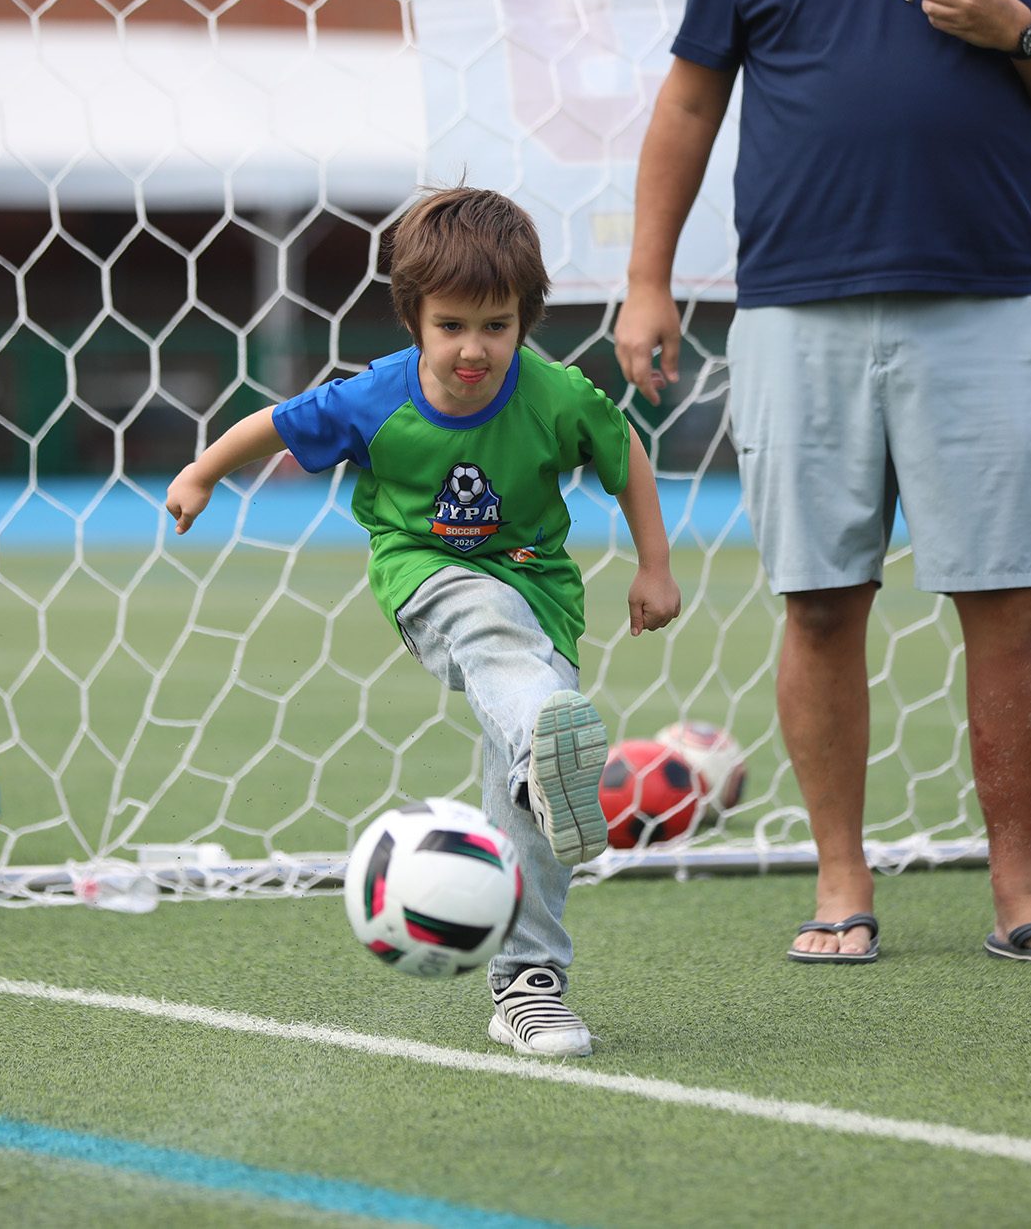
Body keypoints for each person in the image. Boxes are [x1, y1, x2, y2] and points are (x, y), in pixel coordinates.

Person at [614, 0, 1031, 968]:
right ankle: (840, 881)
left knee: (1009, 601)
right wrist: (646, 280)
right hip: (796, 309)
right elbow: (692, 98)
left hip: (987, 303)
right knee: (816, 601)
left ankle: (1023, 892)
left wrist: (1018, 30)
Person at [167, 187, 684, 1052]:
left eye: (496, 325)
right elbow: (279, 423)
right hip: (427, 573)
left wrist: (655, 564)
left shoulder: (554, 394)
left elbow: (621, 447)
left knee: (528, 790)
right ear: (413, 318)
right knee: (489, 629)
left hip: (541, 591)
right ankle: (540, 742)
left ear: (525, 320)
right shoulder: (378, 396)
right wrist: (203, 472)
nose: (473, 348)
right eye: (451, 326)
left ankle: (527, 981)